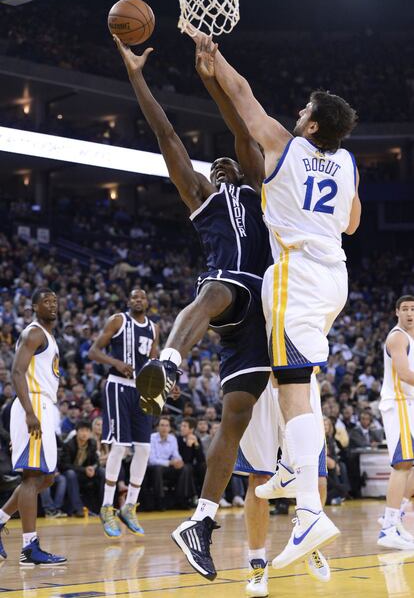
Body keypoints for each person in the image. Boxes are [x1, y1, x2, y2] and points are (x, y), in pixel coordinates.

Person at [113, 35, 272, 580]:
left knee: (236, 415)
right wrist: (137, 75)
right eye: (217, 161)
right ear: (211, 173)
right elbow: (166, 134)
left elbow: (242, 127)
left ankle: (200, 521)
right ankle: (169, 365)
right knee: (216, 290)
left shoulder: (256, 186)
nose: (226, 159)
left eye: (231, 157)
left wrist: (214, 79)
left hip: (258, 319)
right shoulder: (203, 196)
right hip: (228, 288)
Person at [210, 34, 360, 567]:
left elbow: (244, 97)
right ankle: (297, 471)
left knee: (294, 384)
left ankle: (311, 509)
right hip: (334, 278)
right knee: (289, 374)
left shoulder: (286, 145)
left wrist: (214, 54)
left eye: (306, 110)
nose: (298, 113)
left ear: (313, 126)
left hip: (295, 273)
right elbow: (353, 220)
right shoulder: (347, 165)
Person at [238, 375, 330, 596]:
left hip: (299, 377)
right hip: (259, 380)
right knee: (259, 478)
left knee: (316, 477)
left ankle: (308, 536)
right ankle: (257, 564)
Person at [0, 287, 66, 565]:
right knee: (31, 477)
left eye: (55, 300)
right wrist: (29, 411)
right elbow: (16, 371)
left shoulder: (48, 336)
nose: (52, 304)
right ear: (34, 307)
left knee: (47, 477)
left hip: (44, 407)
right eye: (45, 301)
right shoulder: (34, 332)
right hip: (34, 405)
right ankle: (29, 548)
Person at [88, 288, 159, 538]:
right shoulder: (118, 320)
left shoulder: (153, 328)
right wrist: (116, 363)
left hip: (142, 390)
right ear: (129, 301)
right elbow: (93, 351)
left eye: (142, 296)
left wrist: (166, 385)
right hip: (118, 386)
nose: (138, 300)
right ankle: (107, 506)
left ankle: (129, 506)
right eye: (134, 297)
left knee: (144, 449)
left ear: (147, 302)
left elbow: (154, 362)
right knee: (119, 447)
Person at [377, 295, 414, 549]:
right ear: (396, 312)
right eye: (405, 309)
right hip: (399, 403)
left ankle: (395, 514)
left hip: (410, 404)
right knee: (402, 463)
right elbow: (403, 374)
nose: (410, 312)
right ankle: (388, 527)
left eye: (413, 309)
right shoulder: (398, 337)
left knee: (409, 465)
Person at [60, 420, 104, 516]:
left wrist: (93, 468)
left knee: (102, 472)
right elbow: (64, 465)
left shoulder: (92, 443)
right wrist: (84, 470)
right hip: (70, 473)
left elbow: (96, 461)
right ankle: (78, 509)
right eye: (82, 431)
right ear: (77, 432)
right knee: (71, 474)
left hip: (85, 473)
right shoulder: (69, 445)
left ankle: (104, 507)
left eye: (87, 431)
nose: (85, 433)